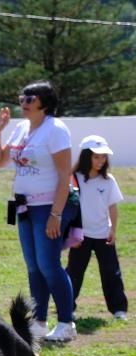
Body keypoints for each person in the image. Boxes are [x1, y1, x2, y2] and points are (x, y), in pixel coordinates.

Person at [0, 80, 78, 343]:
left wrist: (56, 214)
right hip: (25, 205)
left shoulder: (55, 129)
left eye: (30, 99)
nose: (24, 103)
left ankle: (66, 322)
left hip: (49, 205)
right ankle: (39, 321)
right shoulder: (20, 128)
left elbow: (65, 174)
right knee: (33, 267)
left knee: (49, 265)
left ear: (45, 104)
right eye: (22, 98)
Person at [67, 135, 127, 320]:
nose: (101, 161)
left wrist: (113, 230)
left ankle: (119, 310)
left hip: (103, 233)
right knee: (74, 272)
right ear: (86, 156)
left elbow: (113, 207)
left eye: (103, 157)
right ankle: (68, 308)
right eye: (96, 156)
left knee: (111, 272)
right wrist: (71, 233)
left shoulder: (109, 181)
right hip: (81, 235)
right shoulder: (73, 178)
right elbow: (68, 206)